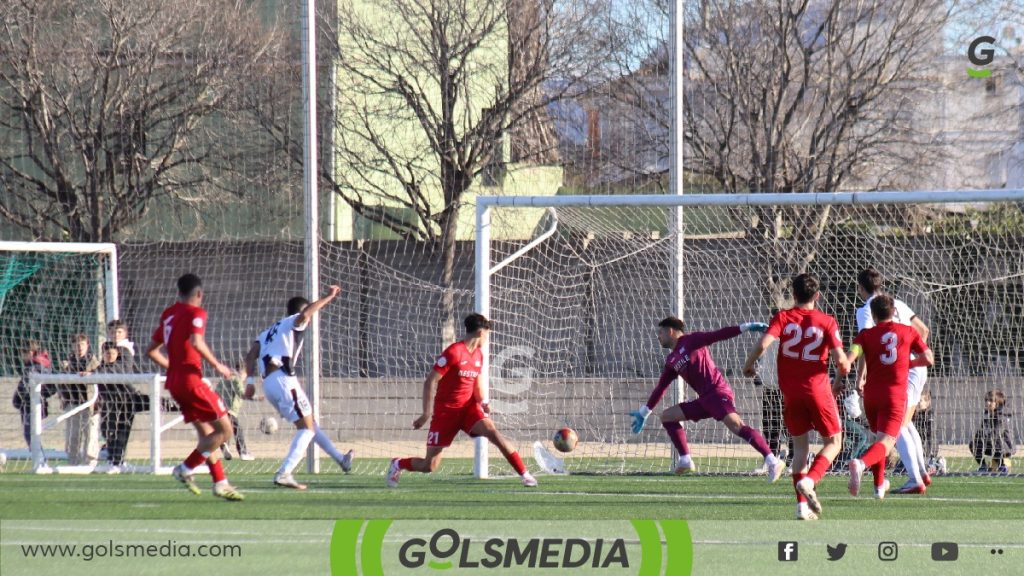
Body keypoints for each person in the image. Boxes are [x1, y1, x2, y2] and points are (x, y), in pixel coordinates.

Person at [743, 273, 851, 520]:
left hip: (790, 393)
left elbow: (764, 343)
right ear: (817, 296)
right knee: (834, 443)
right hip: (818, 390)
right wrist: (841, 373)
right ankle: (811, 481)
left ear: (793, 294)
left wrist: (749, 365)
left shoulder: (783, 317)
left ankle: (801, 507)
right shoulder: (827, 322)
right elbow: (841, 363)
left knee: (800, 448)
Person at [387, 313, 537, 488]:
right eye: (488, 334)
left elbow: (476, 385)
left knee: (493, 433)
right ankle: (397, 464)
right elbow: (430, 381)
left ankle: (525, 475)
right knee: (430, 465)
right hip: (446, 413)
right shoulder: (454, 352)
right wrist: (426, 413)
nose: (488, 339)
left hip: (468, 409)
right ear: (482, 333)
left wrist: (482, 403)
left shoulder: (479, 355)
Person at [631, 317, 783, 479]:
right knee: (667, 416)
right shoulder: (671, 360)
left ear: (670, 331)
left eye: (660, 332)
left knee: (736, 425)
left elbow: (718, 334)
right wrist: (644, 412)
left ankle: (773, 461)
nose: (657, 336)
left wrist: (746, 327)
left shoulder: (691, 340)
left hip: (717, 393)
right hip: (704, 400)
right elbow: (661, 387)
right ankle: (685, 460)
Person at [244, 285, 353, 490]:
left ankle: (341, 460)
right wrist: (328, 297)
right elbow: (305, 314)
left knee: (310, 424)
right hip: (283, 379)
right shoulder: (295, 322)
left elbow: (250, 356)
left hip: (269, 383)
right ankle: (284, 473)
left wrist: (249, 383)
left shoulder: (267, 332)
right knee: (307, 429)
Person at [146, 273, 243, 501]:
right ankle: (186, 468)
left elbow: (150, 350)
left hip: (175, 383)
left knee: (208, 435)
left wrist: (174, 367)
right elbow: (196, 342)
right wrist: (218, 365)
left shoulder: (169, 314)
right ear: (199, 294)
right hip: (192, 383)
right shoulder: (196, 312)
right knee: (225, 430)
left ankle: (220, 482)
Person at [845, 294, 934, 500]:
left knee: (878, 438)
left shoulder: (865, 336)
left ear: (874, 316)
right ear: (894, 312)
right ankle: (861, 463)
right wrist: (908, 364)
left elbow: (850, 358)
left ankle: (878, 488)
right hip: (894, 395)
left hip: (871, 395)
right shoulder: (908, 331)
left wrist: (846, 376)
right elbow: (928, 359)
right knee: (886, 442)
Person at [92, 342, 149, 473]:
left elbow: (111, 371)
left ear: (117, 354)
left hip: (129, 401)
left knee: (158, 402)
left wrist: (93, 372)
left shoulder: (119, 366)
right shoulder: (101, 369)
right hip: (113, 406)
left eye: (112, 353)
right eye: (107, 353)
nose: (110, 356)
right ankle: (115, 462)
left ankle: (178, 404)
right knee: (110, 433)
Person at [59, 334, 100, 466]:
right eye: (76, 344)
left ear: (87, 345)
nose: (79, 347)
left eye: (82, 344)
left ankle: (90, 463)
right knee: (73, 435)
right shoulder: (67, 362)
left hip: (90, 404)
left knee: (91, 435)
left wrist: (92, 374)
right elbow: (60, 383)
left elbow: (102, 377)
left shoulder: (94, 362)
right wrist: (62, 397)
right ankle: (73, 462)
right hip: (72, 404)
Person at [12, 339, 55, 450]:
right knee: (31, 434)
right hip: (30, 404)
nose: (23, 355)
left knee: (30, 434)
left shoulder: (36, 367)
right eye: (23, 352)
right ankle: (40, 460)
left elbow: (25, 386)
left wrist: (18, 399)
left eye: (26, 351)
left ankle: (41, 461)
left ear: (33, 352)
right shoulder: (38, 365)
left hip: (32, 404)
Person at [969, 388, 1015, 474]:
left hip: (1005, 447)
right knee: (973, 444)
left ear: (998, 403)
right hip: (992, 443)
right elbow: (982, 431)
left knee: (996, 441)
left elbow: (996, 433)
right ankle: (983, 467)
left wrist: (984, 438)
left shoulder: (1002, 415)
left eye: (990, 400)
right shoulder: (987, 414)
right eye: (986, 400)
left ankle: (1003, 466)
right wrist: (977, 437)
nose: (987, 403)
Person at [216, 363, 254, 461]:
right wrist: (255, 398)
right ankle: (243, 453)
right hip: (230, 411)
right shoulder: (237, 380)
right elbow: (241, 393)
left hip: (218, 410)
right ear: (241, 372)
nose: (246, 377)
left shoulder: (223, 380)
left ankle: (224, 445)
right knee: (238, 430)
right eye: (246, 374)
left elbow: (216, 393)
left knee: (226, 430)